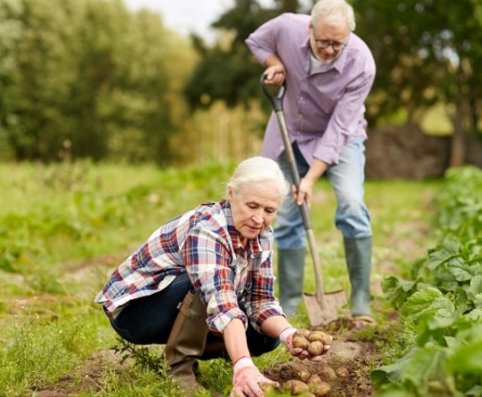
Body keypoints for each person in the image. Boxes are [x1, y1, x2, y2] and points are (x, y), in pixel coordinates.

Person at [94, 157, 327, 397]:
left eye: (269, 210)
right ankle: (180, 370)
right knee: (207, 282)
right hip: (137, 312)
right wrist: (244, 366)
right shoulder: (207, 229)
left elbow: (261, 300)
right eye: (252, 206)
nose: (259, 218)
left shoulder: (262, 235)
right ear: (231, 193)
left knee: (268, 338)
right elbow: (222, 302)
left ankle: (227, 352)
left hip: (185, 304)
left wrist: (290, 335)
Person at [245, 0, 376, 325]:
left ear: (349, 36)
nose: (330, 49)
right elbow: (256, 41)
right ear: (310, 29)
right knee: (286, 214)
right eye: (323, 41)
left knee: (351, 204)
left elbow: (339, 128)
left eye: (338, 43)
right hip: (290, 130)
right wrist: (276, 63)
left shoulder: (361, 63)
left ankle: (360, 298)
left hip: (341, 137)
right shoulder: (287, 26)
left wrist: (311, 177)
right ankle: (286, 303)